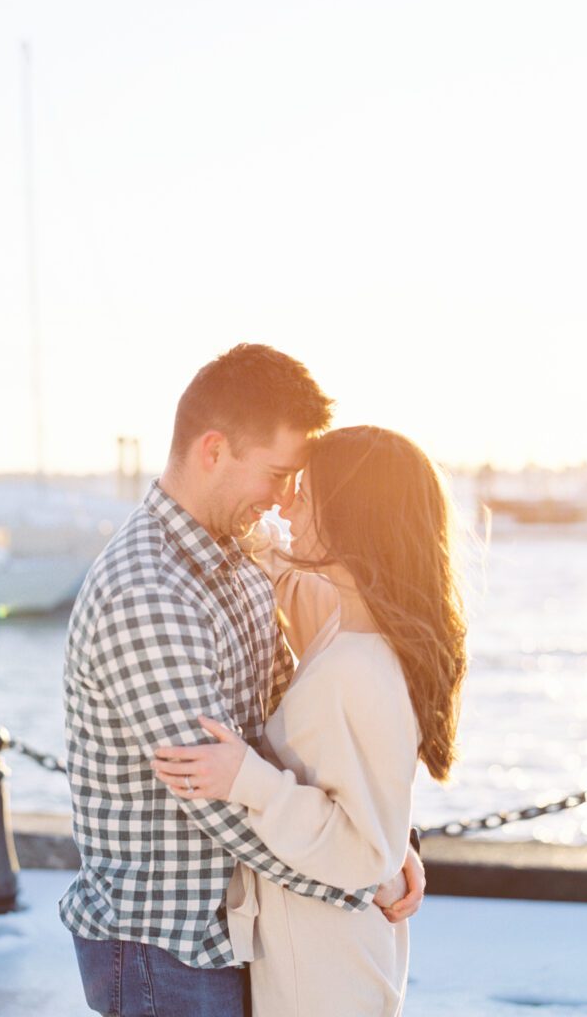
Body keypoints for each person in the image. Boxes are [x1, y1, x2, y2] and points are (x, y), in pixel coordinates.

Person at [60, 346, 424, 1017]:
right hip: (163, 946)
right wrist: (360, 874)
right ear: (214, 450)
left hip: (231, 932)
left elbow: (288, 744)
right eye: (279, 474)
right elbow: (214, 798)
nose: (287, 499)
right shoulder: (150, 592)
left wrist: (386, 839)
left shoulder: (241, 557)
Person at [152, 425, 468, 1016]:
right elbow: (282, 571)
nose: (284, 503)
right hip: (323, 951)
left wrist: (247, 778)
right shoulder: (349, 621)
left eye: (303, 492)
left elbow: (360, 852)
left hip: (325, 976)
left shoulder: (359, 665)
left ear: (351, 516)